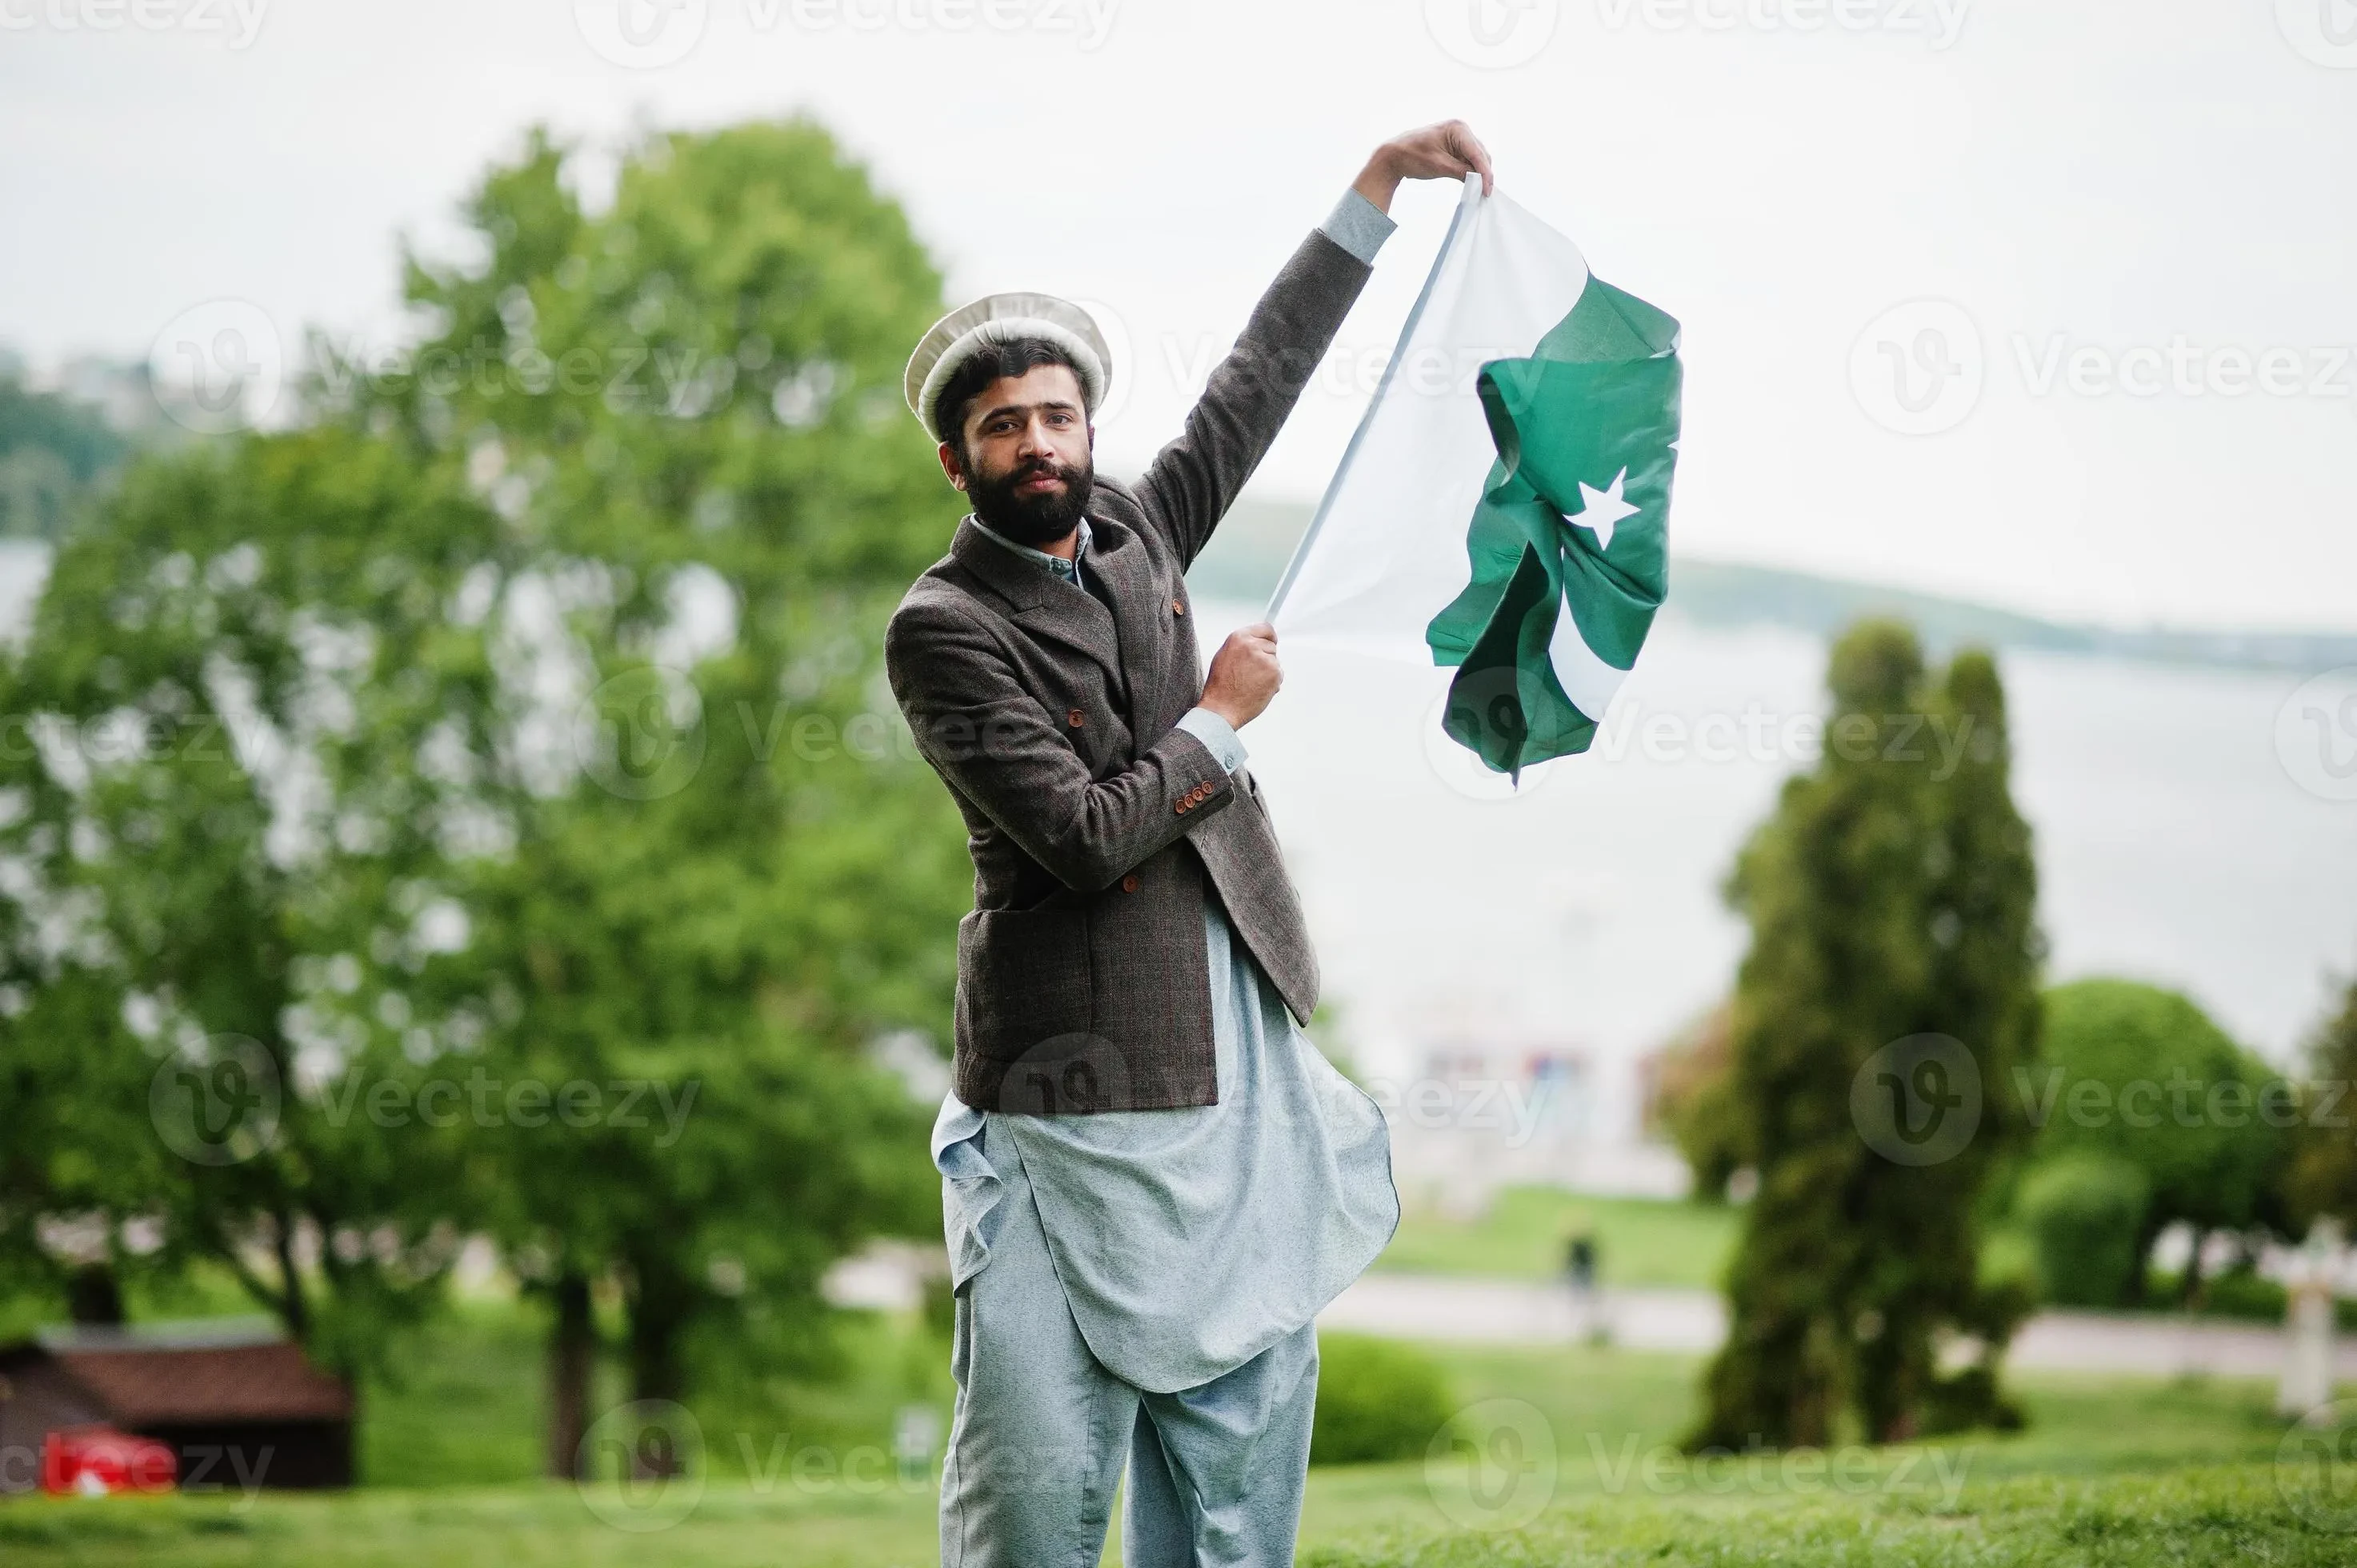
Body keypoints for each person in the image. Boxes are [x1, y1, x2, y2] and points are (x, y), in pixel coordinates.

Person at [883, 122, 1495, 1568]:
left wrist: (1376, 187)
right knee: (1036, 1485)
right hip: (1064, 1075)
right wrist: (1219, 720)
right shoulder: (940, 629)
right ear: (957, 461)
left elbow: (1255, 383)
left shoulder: (1137, 527)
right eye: (1003, 427)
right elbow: (1084, 840)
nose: (1038, 443)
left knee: (1239, 1463)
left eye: (1057, 416)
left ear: (1087, 430)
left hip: (1230, 1036)